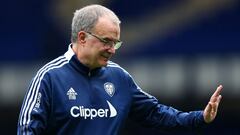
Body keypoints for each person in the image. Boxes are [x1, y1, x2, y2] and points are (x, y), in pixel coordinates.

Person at [17, 4, 223, 135]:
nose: (111, 50)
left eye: (115, 43)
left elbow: (156, 114)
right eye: (106, 41)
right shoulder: (50, 77)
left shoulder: (119, 77)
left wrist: (200, 117)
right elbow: (28, 130)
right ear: (82, 38)